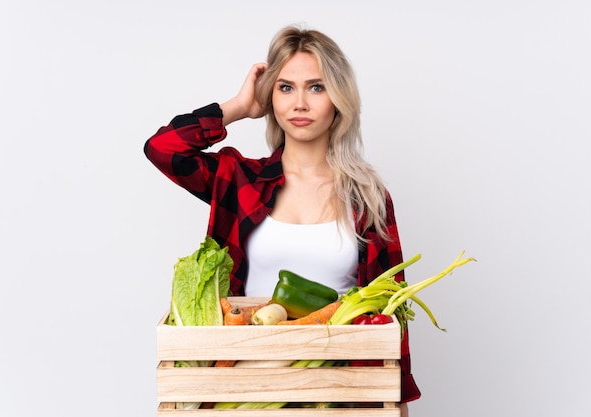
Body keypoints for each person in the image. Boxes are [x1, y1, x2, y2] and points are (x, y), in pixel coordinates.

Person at [144, 25, 420, 412]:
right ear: (270, 96)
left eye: (317, 87)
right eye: (285, 87)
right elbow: (162, 148)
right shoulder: (239, 180)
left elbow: (392, 313)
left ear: (338, 98)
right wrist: (239, 107)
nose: (300, 103)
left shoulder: (367, 198)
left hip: (338, 389)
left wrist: (398, 404)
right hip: (248, 385)